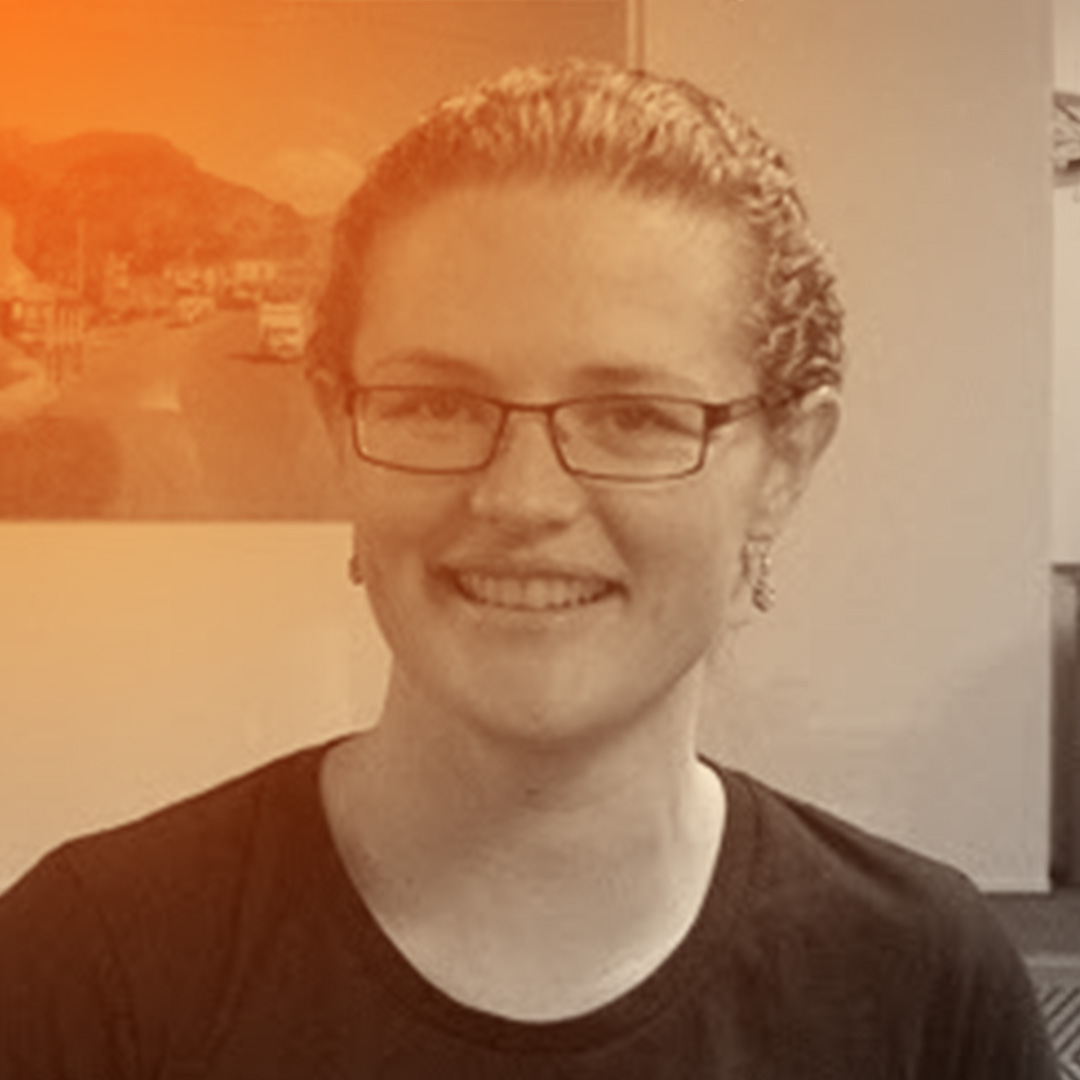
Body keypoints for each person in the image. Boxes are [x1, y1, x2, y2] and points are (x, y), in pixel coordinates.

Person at [0, 61, 1058, 1077]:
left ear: (784, 466)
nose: (521, 500)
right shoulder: (85, 968)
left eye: (636, 417)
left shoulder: (923, 987)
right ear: (338, 430)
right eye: (436, 404)